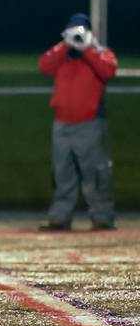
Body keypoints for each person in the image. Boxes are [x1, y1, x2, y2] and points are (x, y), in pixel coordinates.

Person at [38, 13, 117, 232]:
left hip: (89, 123)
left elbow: (108, 70)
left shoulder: (100, 53)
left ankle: (102, 218)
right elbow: (44, 65)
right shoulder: (62, 54)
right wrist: (66, 46)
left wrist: (87, 50)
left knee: (96, 175)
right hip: (62, 124)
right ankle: (60, 218)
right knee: (62, 175)